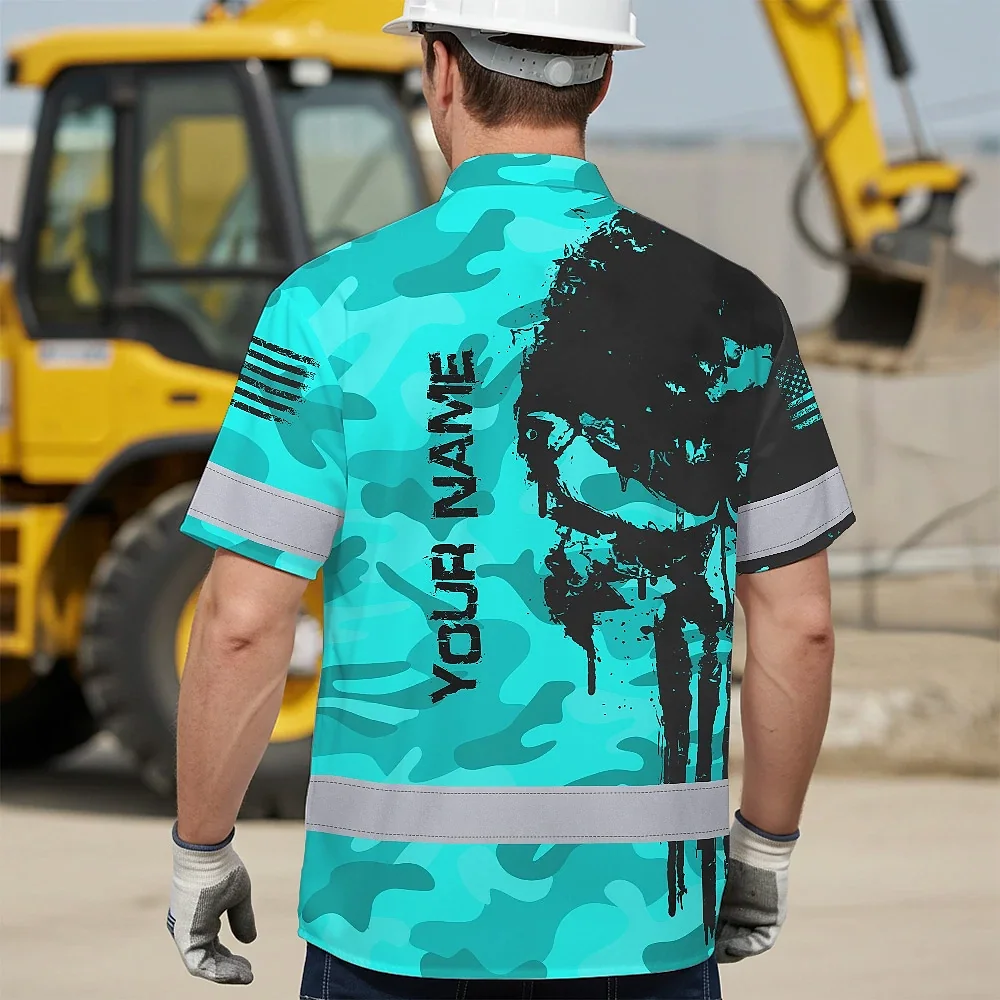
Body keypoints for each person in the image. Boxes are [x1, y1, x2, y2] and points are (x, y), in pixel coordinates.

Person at [167, 2, 854, 998]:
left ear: (441, 67)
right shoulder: (737, 311)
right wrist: (764, 845)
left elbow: (241, 623)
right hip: (646, 925)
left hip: (391, 923)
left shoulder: (325, 308)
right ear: (604, 79)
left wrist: (202, 847)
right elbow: (801, 625)